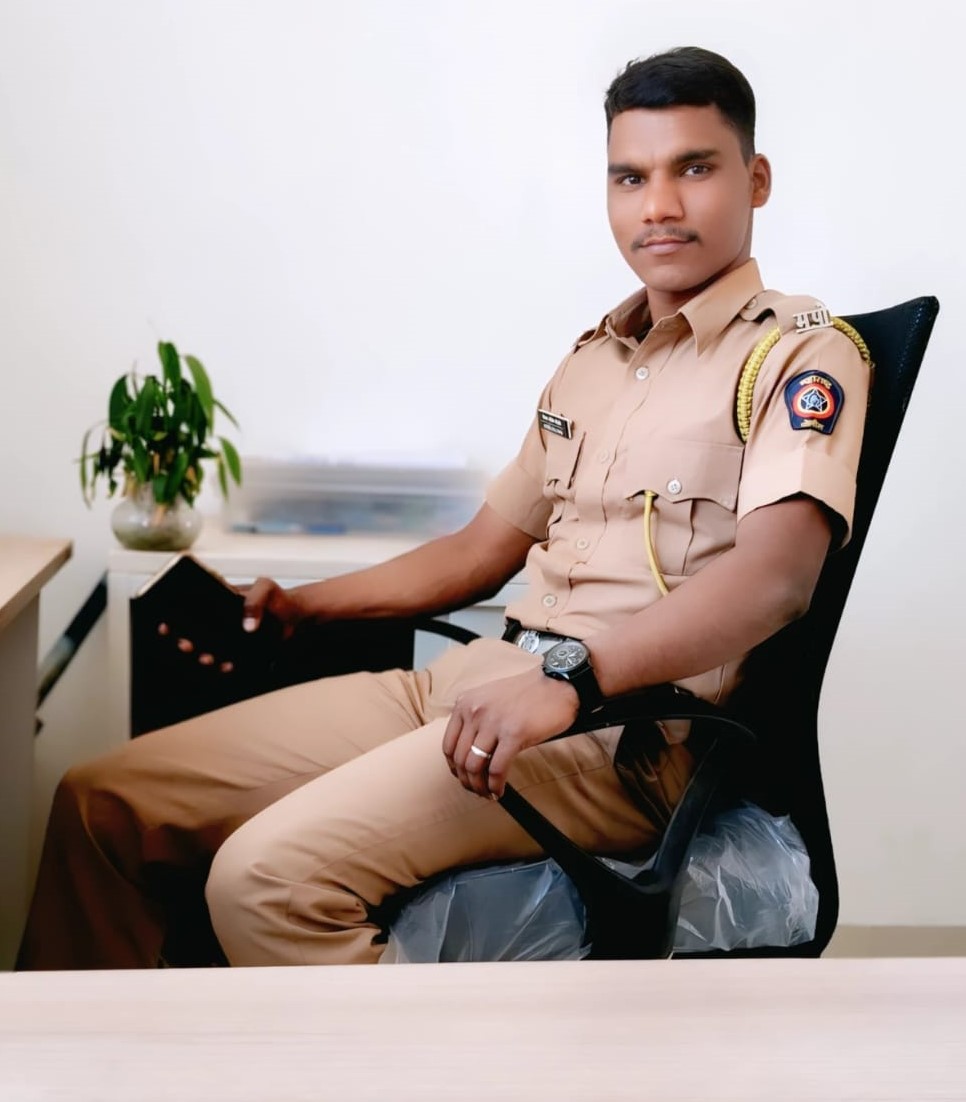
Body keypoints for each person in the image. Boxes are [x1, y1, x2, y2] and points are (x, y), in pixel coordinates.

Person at [18, 45, 870, 969]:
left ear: (756, 179)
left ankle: (406, 1048)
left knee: (262, 881)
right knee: (104, 803)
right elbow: (477, 552)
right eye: (630, 177)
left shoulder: (798, 354)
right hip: (483, 684)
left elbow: (775, 579)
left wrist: (571, 682)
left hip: (620, 732)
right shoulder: (595, 361)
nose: (657, 204)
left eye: (693, 169)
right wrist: (305, 606)